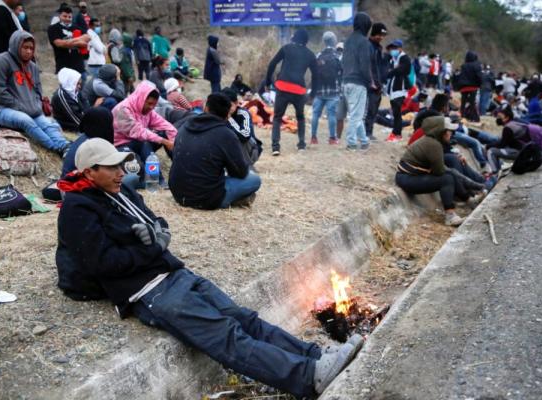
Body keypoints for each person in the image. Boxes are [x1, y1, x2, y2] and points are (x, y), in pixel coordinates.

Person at [56, 135, 363, 398]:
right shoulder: (77, 208)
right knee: (226, 336)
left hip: (175, 274)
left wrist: (158, 234)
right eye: (111, 167)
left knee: (246, 320)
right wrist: (151, 248)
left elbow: (155, 222)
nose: (120, 172)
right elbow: (103, 263)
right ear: (89, 171)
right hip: (151, 293)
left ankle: (317, 356)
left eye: (120, 164)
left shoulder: (121, 190)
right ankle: (309, 377)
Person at [169, 93, 261, 209]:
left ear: (206, 108)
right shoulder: (226, 134)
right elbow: (240, 172)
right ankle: (233, 199)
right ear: (228, 115)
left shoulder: (185, 126)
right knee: (254, 179)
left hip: (178, 193)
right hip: (207, 199)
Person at [0, 30, 70, 155]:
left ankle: (65, 147)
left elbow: (38, 91)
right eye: (25, 47)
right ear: (16, 45)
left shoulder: (33, 67)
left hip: (31, 111)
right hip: (4, 109)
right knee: (25, 120)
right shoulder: (1, 61)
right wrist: (21, 107)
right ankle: (55, 148)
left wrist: (36, 106)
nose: (28, 51)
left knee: (49, 125)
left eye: (31, 48)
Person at [396, 116, 465, 226]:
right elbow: (439, 171)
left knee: (449, 175)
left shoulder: (431, 141)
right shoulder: (434, 145)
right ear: (441, 132)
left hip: (407, 176)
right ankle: (450, 215)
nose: (451, 133)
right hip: (407, 178)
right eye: (449, 131)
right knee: (447, 179)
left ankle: (466, 197)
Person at [60, 107, 141, 190]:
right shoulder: (92, 145)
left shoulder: (86, 137)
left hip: (74, 182)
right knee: (134, 178)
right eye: (109, 123)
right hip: (79, 185)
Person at [265, 29, 318, 155]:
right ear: (306, 41)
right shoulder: (310, 54)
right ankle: (301, 145)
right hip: (298, 90)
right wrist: (312, 94)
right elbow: (316, 75)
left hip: (282, 87)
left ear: (294, 38)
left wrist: (268, 82)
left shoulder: (286, 48)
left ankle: (275, 147)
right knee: (300, 118)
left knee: (277, 117)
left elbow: (272, 64)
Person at [113, 81, 177, 177]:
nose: (151, 107)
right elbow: (139, 132)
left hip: (139, 143)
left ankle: (178, 165)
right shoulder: (123, 109)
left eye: (154, 105)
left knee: (163, 133)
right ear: (141, 99)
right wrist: (165, 142)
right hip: (120, 145)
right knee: (139, 172)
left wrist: (174, 141)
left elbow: (165, 125)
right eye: (149, 103)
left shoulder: (148, 111)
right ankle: (154, 176)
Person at [341, 13, 372, 150]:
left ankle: (364, 140)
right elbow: (365, 64)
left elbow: (343, 62)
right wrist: (369, 81)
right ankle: (351, 143)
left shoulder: (348, 40)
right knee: (356, 115)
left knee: (355, 113)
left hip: (346, 81)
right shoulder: (364, 42)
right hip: (358, 82)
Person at [310, 31, 342, 145]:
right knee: (332, 115)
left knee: (315, 114)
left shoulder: (318, 55)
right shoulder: (337, 56)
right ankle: (332, 138)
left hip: (319, 90)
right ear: (334, 41)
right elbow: (340, 73)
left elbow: (314, 72)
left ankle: (313, 138)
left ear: (324, 41)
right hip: (333, 90)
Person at [222, 87, 263, 167]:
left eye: (229, 105)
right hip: (228, 151)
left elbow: (245, 136)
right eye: (223, 105)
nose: (226, 109)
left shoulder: (243, 113)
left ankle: (245, 166)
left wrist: (229, 119)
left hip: (248, 151)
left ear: (236, 103)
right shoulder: (218, 113)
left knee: (242, 137)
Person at [487, 105, 532, 173]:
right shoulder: (514, 123)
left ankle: (495, 172)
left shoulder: (508, 128)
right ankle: (500, 169)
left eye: (500, 117)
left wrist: (488, 146)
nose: (497, 119)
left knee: (491, 151)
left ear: (506, 118)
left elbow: (502, 144)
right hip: (526, 149)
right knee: (497, 147)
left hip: (519, 152)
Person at [48, 5, 90, 74]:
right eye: (65, 16)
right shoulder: (53, 28)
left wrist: (70, 42)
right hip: (64, 68)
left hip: (79, 68)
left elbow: (87, 38)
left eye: (69, 17)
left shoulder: (76, 27)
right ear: (59, 16)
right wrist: (78, 41)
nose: (67, 19)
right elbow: (59, 43)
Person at [385, 39, 412, 142]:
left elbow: (402, 70)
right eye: (392, 48)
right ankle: (395, 132)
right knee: (395, 112)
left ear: (401, 48)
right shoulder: (394, 58)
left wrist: (391, 71)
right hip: (393, 88)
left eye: (396, 48)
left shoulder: (405, 58)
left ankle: (397, 134)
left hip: (400, 88)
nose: (393, 50)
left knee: (397, 112)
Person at [365, 22, 388, 141]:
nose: (381, 37)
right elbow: (368, 66)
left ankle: (369, 131)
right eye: (379, 35)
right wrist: (372, 82)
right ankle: (366, 132)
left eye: (383, 35)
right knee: (369, 109)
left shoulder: (378, 48)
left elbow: (379, 66)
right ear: (374, 33)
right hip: (370, 84)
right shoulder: (368, 46)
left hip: (378, 83)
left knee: (374, 109)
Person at [51, 67, 88, 132]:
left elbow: (86, 107)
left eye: (80, 83)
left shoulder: (74, 91)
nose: (79, 86)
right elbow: (75, 118)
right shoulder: (61, 96)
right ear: (69, 82)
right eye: (77, 84)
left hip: (80, 121)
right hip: (69, 126)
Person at [457, 51, 482, 122]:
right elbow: (479, 76)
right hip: (473, 87)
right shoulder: (476, 65)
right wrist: (480, 84)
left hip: (464, 87)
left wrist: (459, 86)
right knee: (472, 103)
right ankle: (474, 118)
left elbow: (461, 76)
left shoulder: (463, 66)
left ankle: (462, 116)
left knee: (463, 102)